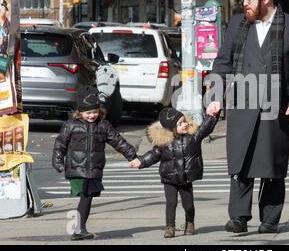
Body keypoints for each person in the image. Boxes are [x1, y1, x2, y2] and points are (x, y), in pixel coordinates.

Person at [206, 0, 289, 234]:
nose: (244, 2)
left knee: (272, 164)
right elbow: (222, 63)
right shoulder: (237, 26)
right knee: (241, 161)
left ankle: (269, 219)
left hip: (277, 106)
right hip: (242, 103)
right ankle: (239, 217)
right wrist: (215, 96)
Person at [52, 86, 139, 240]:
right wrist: (58, 162)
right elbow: (60, 144)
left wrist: (132, 156)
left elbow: (118, 141)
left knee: (88, 197)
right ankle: (79, 229)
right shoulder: (71, 125)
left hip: (94, 169)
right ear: (80, 112)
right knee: (86, 196)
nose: (92, 115)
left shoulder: (103, 125)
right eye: (88, 113)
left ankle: (80, 229)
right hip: (77, 168)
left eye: (95, 112)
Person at [131, 108, 218, 238]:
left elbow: (205, 128)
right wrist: (141, 161)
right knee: (171, 203)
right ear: (171, 128)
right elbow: (153, 155)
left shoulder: (193, 137)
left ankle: (189, 222)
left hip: (185, 179)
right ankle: (170, 227)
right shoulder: (164, 143)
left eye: (184, 121)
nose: (185, 124)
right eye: (181, 123)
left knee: (188, 205)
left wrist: (212, 116)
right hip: (169, 178)